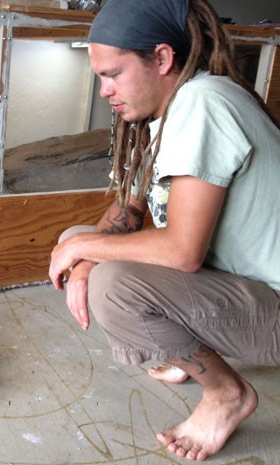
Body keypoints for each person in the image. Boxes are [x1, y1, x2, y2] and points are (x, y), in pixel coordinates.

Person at [48, 0, 280, 461]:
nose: (103, 91)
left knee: (114, 285)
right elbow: (128, 212)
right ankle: (189, 354)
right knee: (79, 244)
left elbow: (182, 251)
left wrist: (87, 254)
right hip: (245, 287)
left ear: (162, 58)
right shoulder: (167, 116)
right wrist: (84, 253)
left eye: (112, 73)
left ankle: (226, 395)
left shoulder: (203, 102)